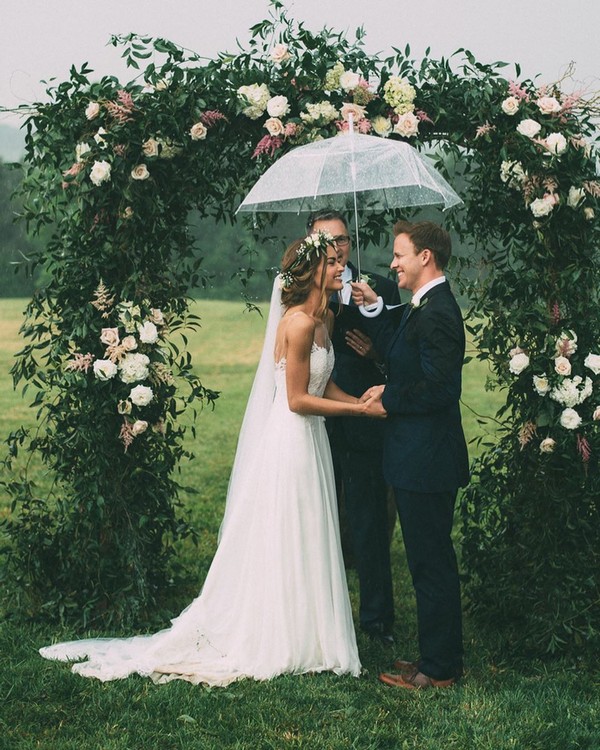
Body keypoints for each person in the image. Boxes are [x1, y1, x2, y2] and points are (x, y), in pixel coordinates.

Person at [39, 231, 385, 686]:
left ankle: (313, 634)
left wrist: (358, 398)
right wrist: (358, 410)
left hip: (313, 441)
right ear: (312, 272)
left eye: (341, 261)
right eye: (334, 263)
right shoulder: (299, 324)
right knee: (289, 532)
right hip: (292, 440)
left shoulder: (324, 321)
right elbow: (297, 400)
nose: (343, 266)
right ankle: (277, 635)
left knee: (310, 532)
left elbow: (323, 385)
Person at [351, 220, 469, 689]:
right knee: (427, 562)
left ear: (426, 257)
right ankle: (434, 656)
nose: (392, 263)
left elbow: (440, 389)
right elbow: (409, 361)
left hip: (428, 461)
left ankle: (438, 669)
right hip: (417, 458)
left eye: (399, 254)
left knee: (431, 564)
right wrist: (388, 379)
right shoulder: (424, 306)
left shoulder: (438, 311)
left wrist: (389, 397)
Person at [307, 209, 400, 646]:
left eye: (342, 239)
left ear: (351, 240)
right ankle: (318, 614)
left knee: (368, 521)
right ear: (309, 243)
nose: (336, 248)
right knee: (314, 518)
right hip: (315, 421)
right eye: (325, 240)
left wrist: (373, 355)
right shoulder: (302, 292)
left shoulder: (378, 286)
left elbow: (402, 353)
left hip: (364, 420)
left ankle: (377, 620)